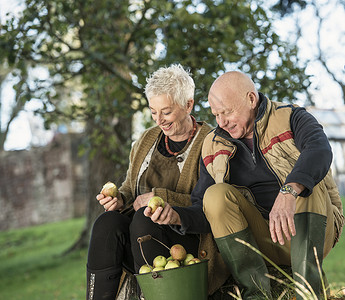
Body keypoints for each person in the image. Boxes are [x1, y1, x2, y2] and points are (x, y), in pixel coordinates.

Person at [177, 71, 344, 299]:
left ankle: (309, 292)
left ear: (251, 99)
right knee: (215, 195)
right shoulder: (213, 145)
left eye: (227, 112)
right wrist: (177, 216)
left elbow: (320, 150)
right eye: (216, 114)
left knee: (304, 185)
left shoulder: (291, 116)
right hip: (262, 239)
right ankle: (256, 293)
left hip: (312, 229)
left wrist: (289, 191)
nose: (221, 121)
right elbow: (203, 208)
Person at [86, 64, 214, 300]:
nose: (159, 120)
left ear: (188, 104)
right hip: (140, 237)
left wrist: (161, 197)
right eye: (153, 112)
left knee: (143, 220)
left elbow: (210, 205)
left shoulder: (210, 143)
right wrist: (120, 198)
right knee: (107, 223)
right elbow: (129, 186)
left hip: (187, 244)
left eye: (166, 111)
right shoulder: (146, 139)